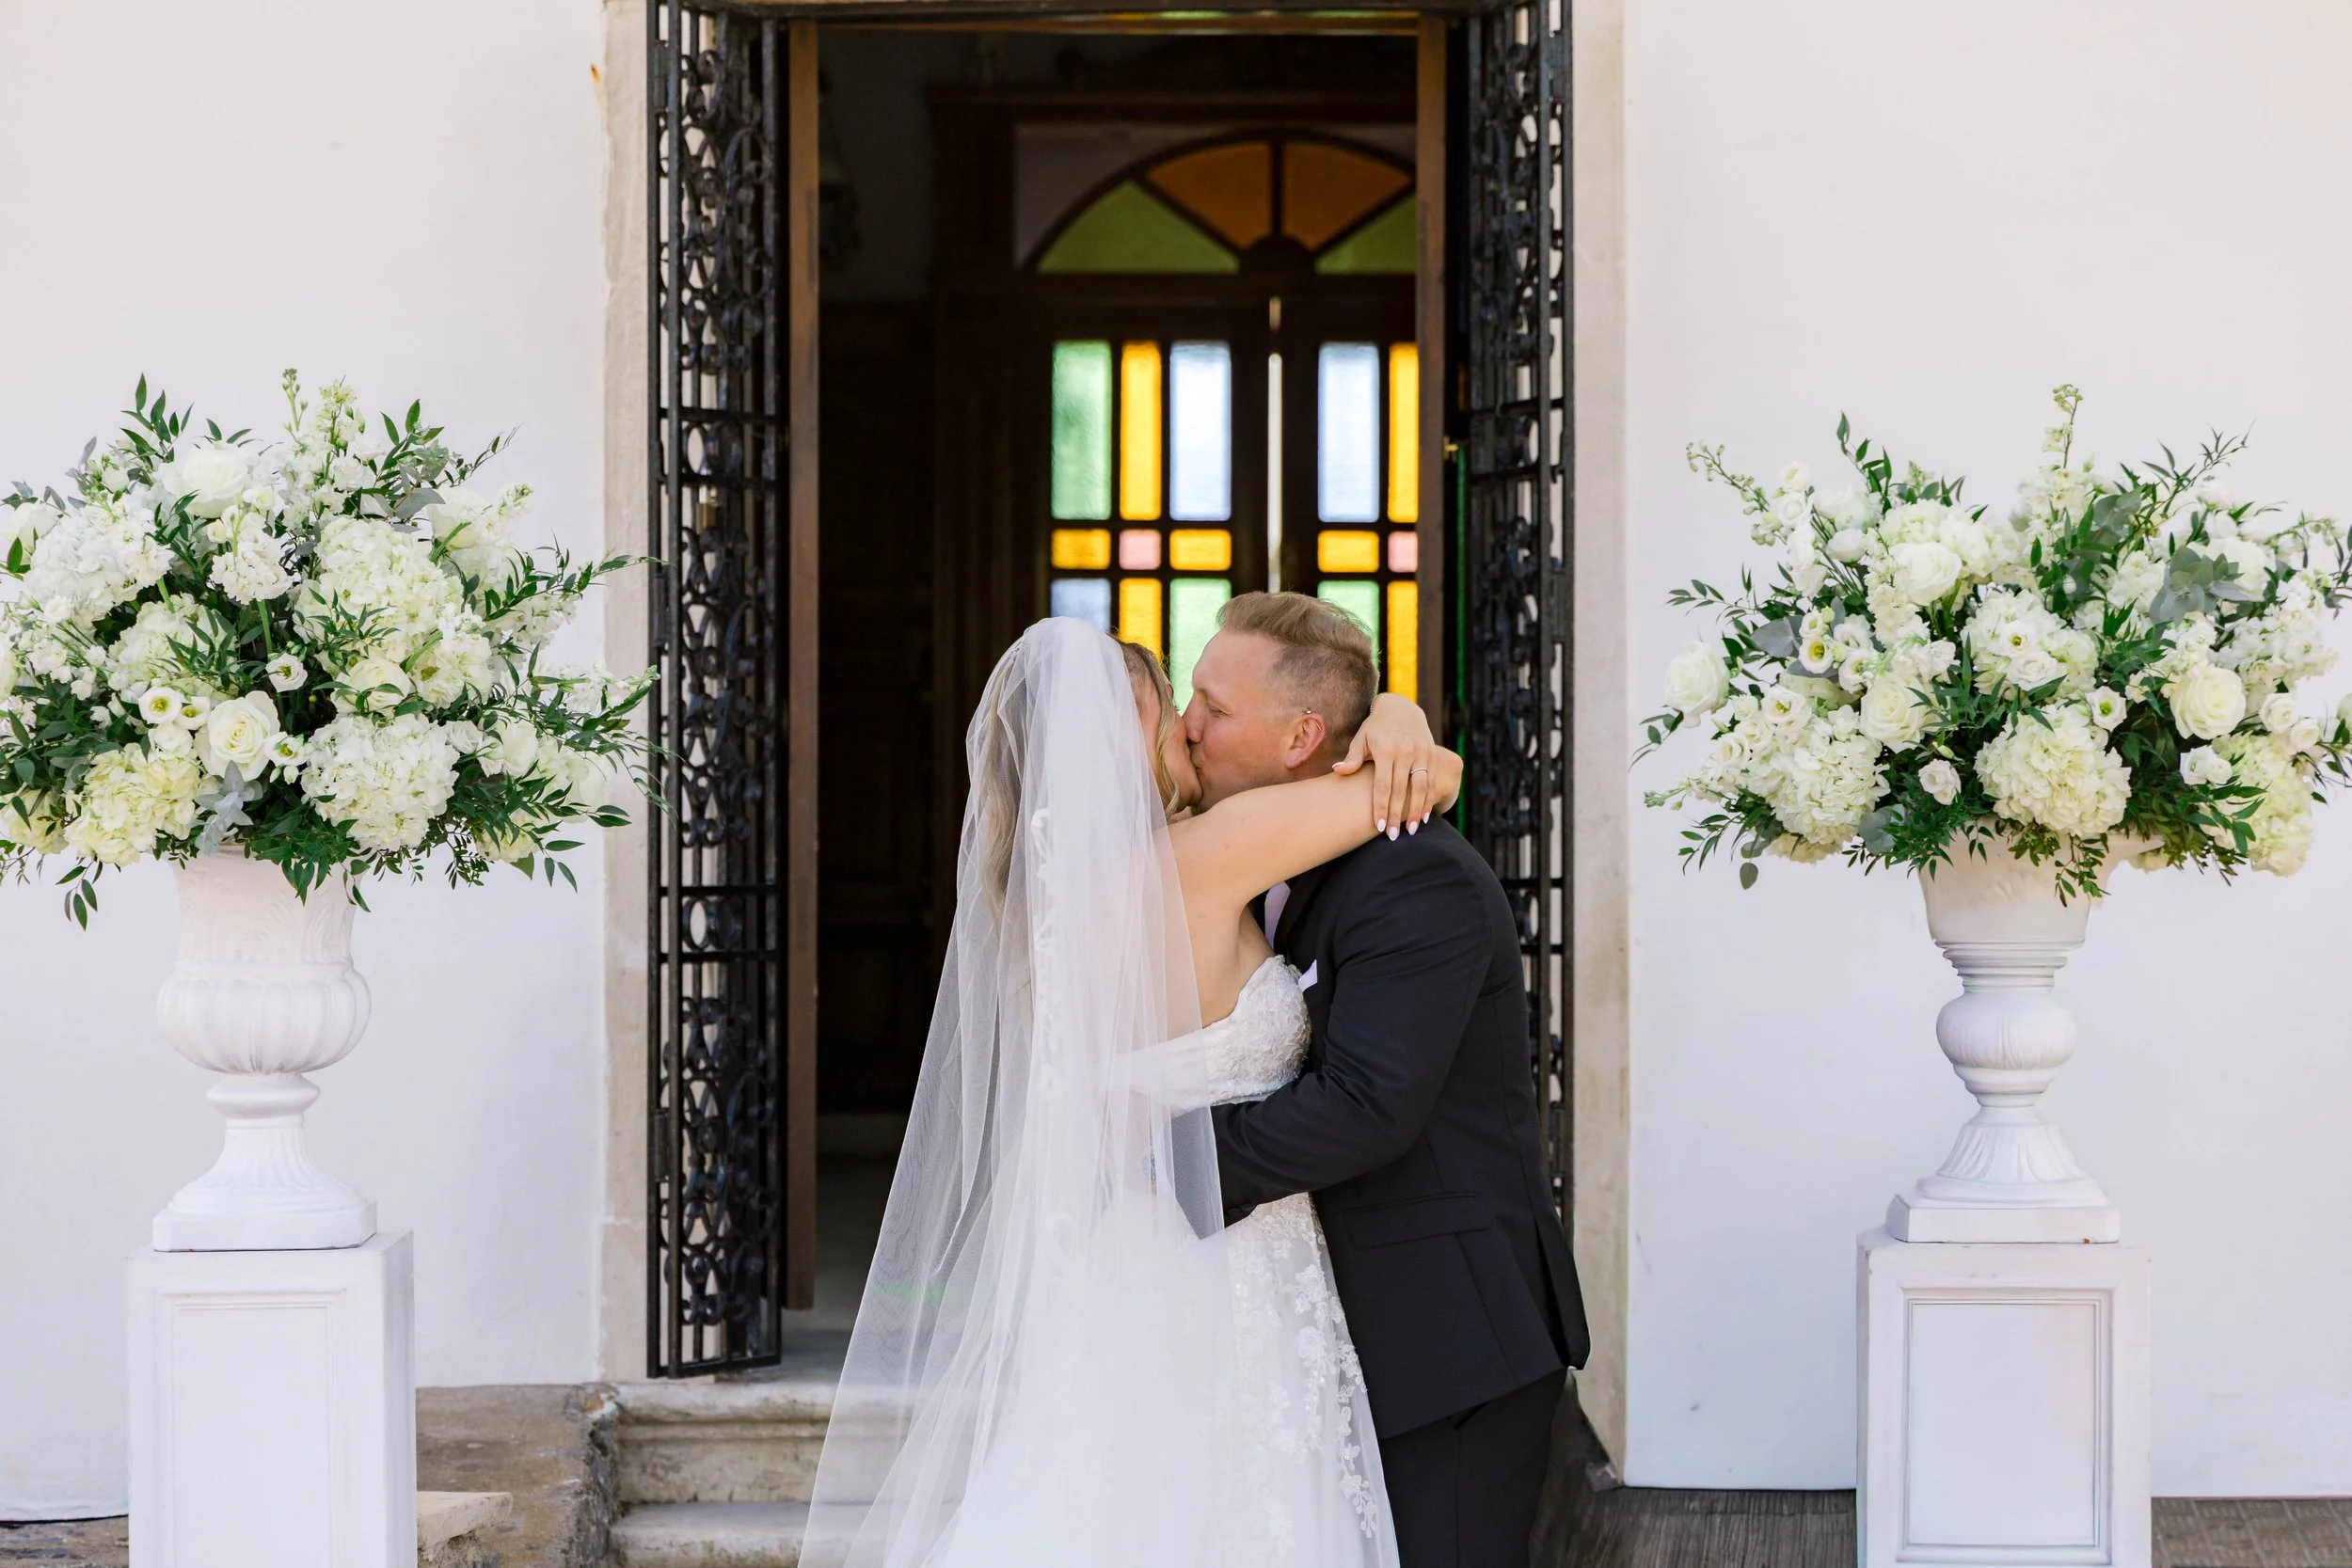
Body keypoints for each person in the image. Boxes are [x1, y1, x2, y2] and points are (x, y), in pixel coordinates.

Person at [803, 612, 1461, 1568]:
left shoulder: (1041, 902)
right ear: (1118, 738)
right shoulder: (1195, 863)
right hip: (1221, 1273)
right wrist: (1397, 718)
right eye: (1173, 708)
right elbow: (1422, 783)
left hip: (1129, 1261)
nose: (1192, 727)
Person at [1193, 593, 1590, 1568]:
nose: (1186, 726)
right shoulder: (1275, 856)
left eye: (1210, 705)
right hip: (1337, 1323)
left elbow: (1366, 1108)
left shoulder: (1415, 879)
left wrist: (1168, 1163)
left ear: (1299, 737)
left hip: (1443, 1340)